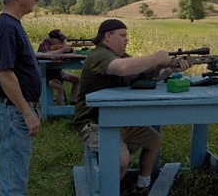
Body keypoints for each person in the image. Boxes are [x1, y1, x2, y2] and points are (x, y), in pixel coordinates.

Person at [73, 19, 191, 195]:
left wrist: (169, 70)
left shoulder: (119, 57)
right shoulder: (99, 55)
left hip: (118, 120)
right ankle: (108, 191)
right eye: (122, 35)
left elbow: (145, 75)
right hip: (94, 123)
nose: (126, 39)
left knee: (154, 140)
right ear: (108, 36)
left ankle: (142, 185)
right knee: (121, 160)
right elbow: (123, 69)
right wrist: (157, 58)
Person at [0, 0, 45, 196]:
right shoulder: (5, 28)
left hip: (14, 112)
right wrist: (27, 112)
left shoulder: (12, 25)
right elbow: (5, 75)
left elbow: (18, 60)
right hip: (13, 113)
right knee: (13, 181)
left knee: (15, 173)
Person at [38, 29, 80, 105]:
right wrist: (62, 49)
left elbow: (71, 54)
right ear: (53, 40)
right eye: (60, 40)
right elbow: (46, 54)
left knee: (77, 80)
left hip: (58, 72)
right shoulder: (45, 45)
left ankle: (73, 103)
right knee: (59, 87)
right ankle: (60, 109)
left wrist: (71, 50)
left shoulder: (59, 46)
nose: (62, 42)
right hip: (46, 74)